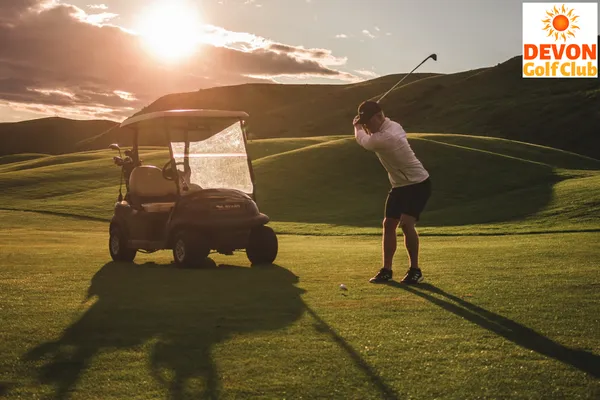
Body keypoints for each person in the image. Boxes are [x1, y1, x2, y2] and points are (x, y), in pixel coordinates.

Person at [353, 100, 431, 284]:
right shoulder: (389, 126)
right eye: (363, 122)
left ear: (380, 116)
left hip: (418, 184)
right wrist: (364, 123)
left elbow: (364, 141)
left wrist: (356, 126)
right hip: (399, 186)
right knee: (388, 224)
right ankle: (386, 270)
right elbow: (370, 133)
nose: (366, 126)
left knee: (405, 224)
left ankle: (415, 270)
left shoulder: (387, 137)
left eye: (368, 122)